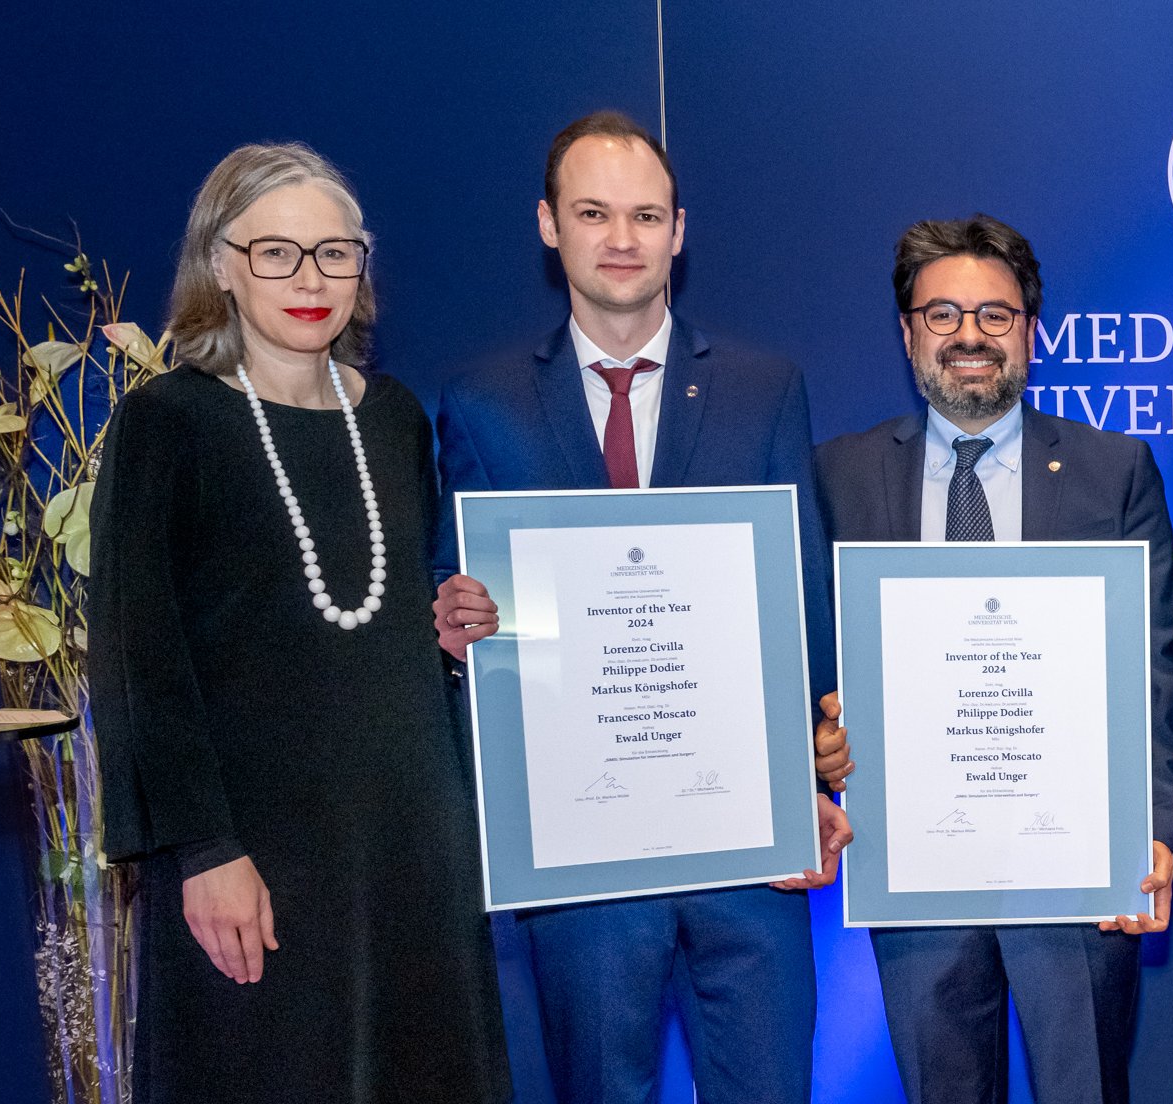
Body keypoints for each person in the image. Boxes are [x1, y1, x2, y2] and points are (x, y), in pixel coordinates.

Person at [425, 110, 851, 1103]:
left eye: (645, 216)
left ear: (678, 231)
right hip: (581, 866)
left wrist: (809, 779)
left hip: (748, 857)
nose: (621, 238)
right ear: (548, 225)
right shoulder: (483, 402)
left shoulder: (764, 389)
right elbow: (453, 596)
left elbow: (799, 594)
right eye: (593, 213)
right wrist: (450, 623)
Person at [89, 142, 508, 1102]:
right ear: (221, 264)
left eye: (334, 253)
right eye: (276, 253)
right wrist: (202, 852)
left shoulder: (395, 418)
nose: (310, 280)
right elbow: (138, 657)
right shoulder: (168, 423)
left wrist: (444, 635)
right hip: (253, 851)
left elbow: (370, 618)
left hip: (410, 838)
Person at [808, 214, 1173, 1104]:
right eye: (941, 314)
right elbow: (806, 656)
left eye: (994, 315)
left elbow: (1156, 663)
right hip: (913, 866)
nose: (968, 335)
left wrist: (1150, 828)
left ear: (1031, 332)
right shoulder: (838, 477)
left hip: (1076, 858)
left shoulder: (1114, 470)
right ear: (907, 334)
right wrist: (810, 751)